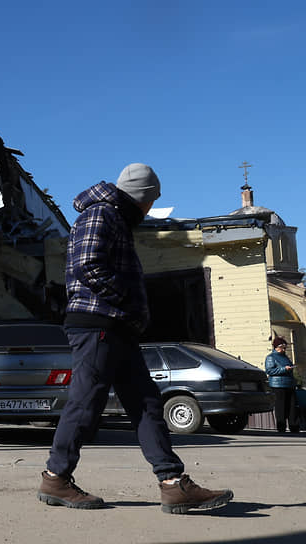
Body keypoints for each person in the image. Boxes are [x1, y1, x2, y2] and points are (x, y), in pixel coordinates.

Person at [37, 163, 234, 514]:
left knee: (146, 404)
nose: (149, 209)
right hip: (99, 323)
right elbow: (88, 264)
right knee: (86, 402)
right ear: (141, 197)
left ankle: (173, 484)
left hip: (117, 326)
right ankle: (56, 478)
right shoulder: (102, 214)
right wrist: (126, 299)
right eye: (151, 200)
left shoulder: (115, 218)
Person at [265, 337, 299, 433]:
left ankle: (294, 426)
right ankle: (281, 427)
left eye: (284, 348)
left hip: (289, 384)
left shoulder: (285, 357)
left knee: (292, 406)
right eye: (281, 347)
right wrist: (284, 369)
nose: (283, 350)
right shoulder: (271, 357)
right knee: (281, 407)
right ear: (276, 347)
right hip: (278, 385)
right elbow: (269, 370)